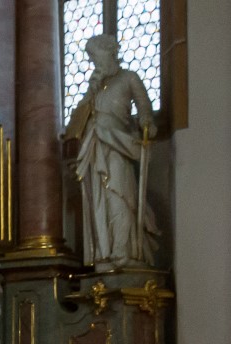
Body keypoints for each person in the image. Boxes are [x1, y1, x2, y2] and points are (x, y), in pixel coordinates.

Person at [64, 34, 157, 270]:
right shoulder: (95, 86)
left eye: (96, 56)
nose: (94, 62)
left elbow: (144, 107)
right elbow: (78, 119)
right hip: (94, 145)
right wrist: (91, 92)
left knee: (119, 196)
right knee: (99, 201)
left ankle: (122, 250)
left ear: (111, 52)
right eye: (91, 58)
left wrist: (147, 122)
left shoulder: (129, 77)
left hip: (118, 144)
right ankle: (103, 253)